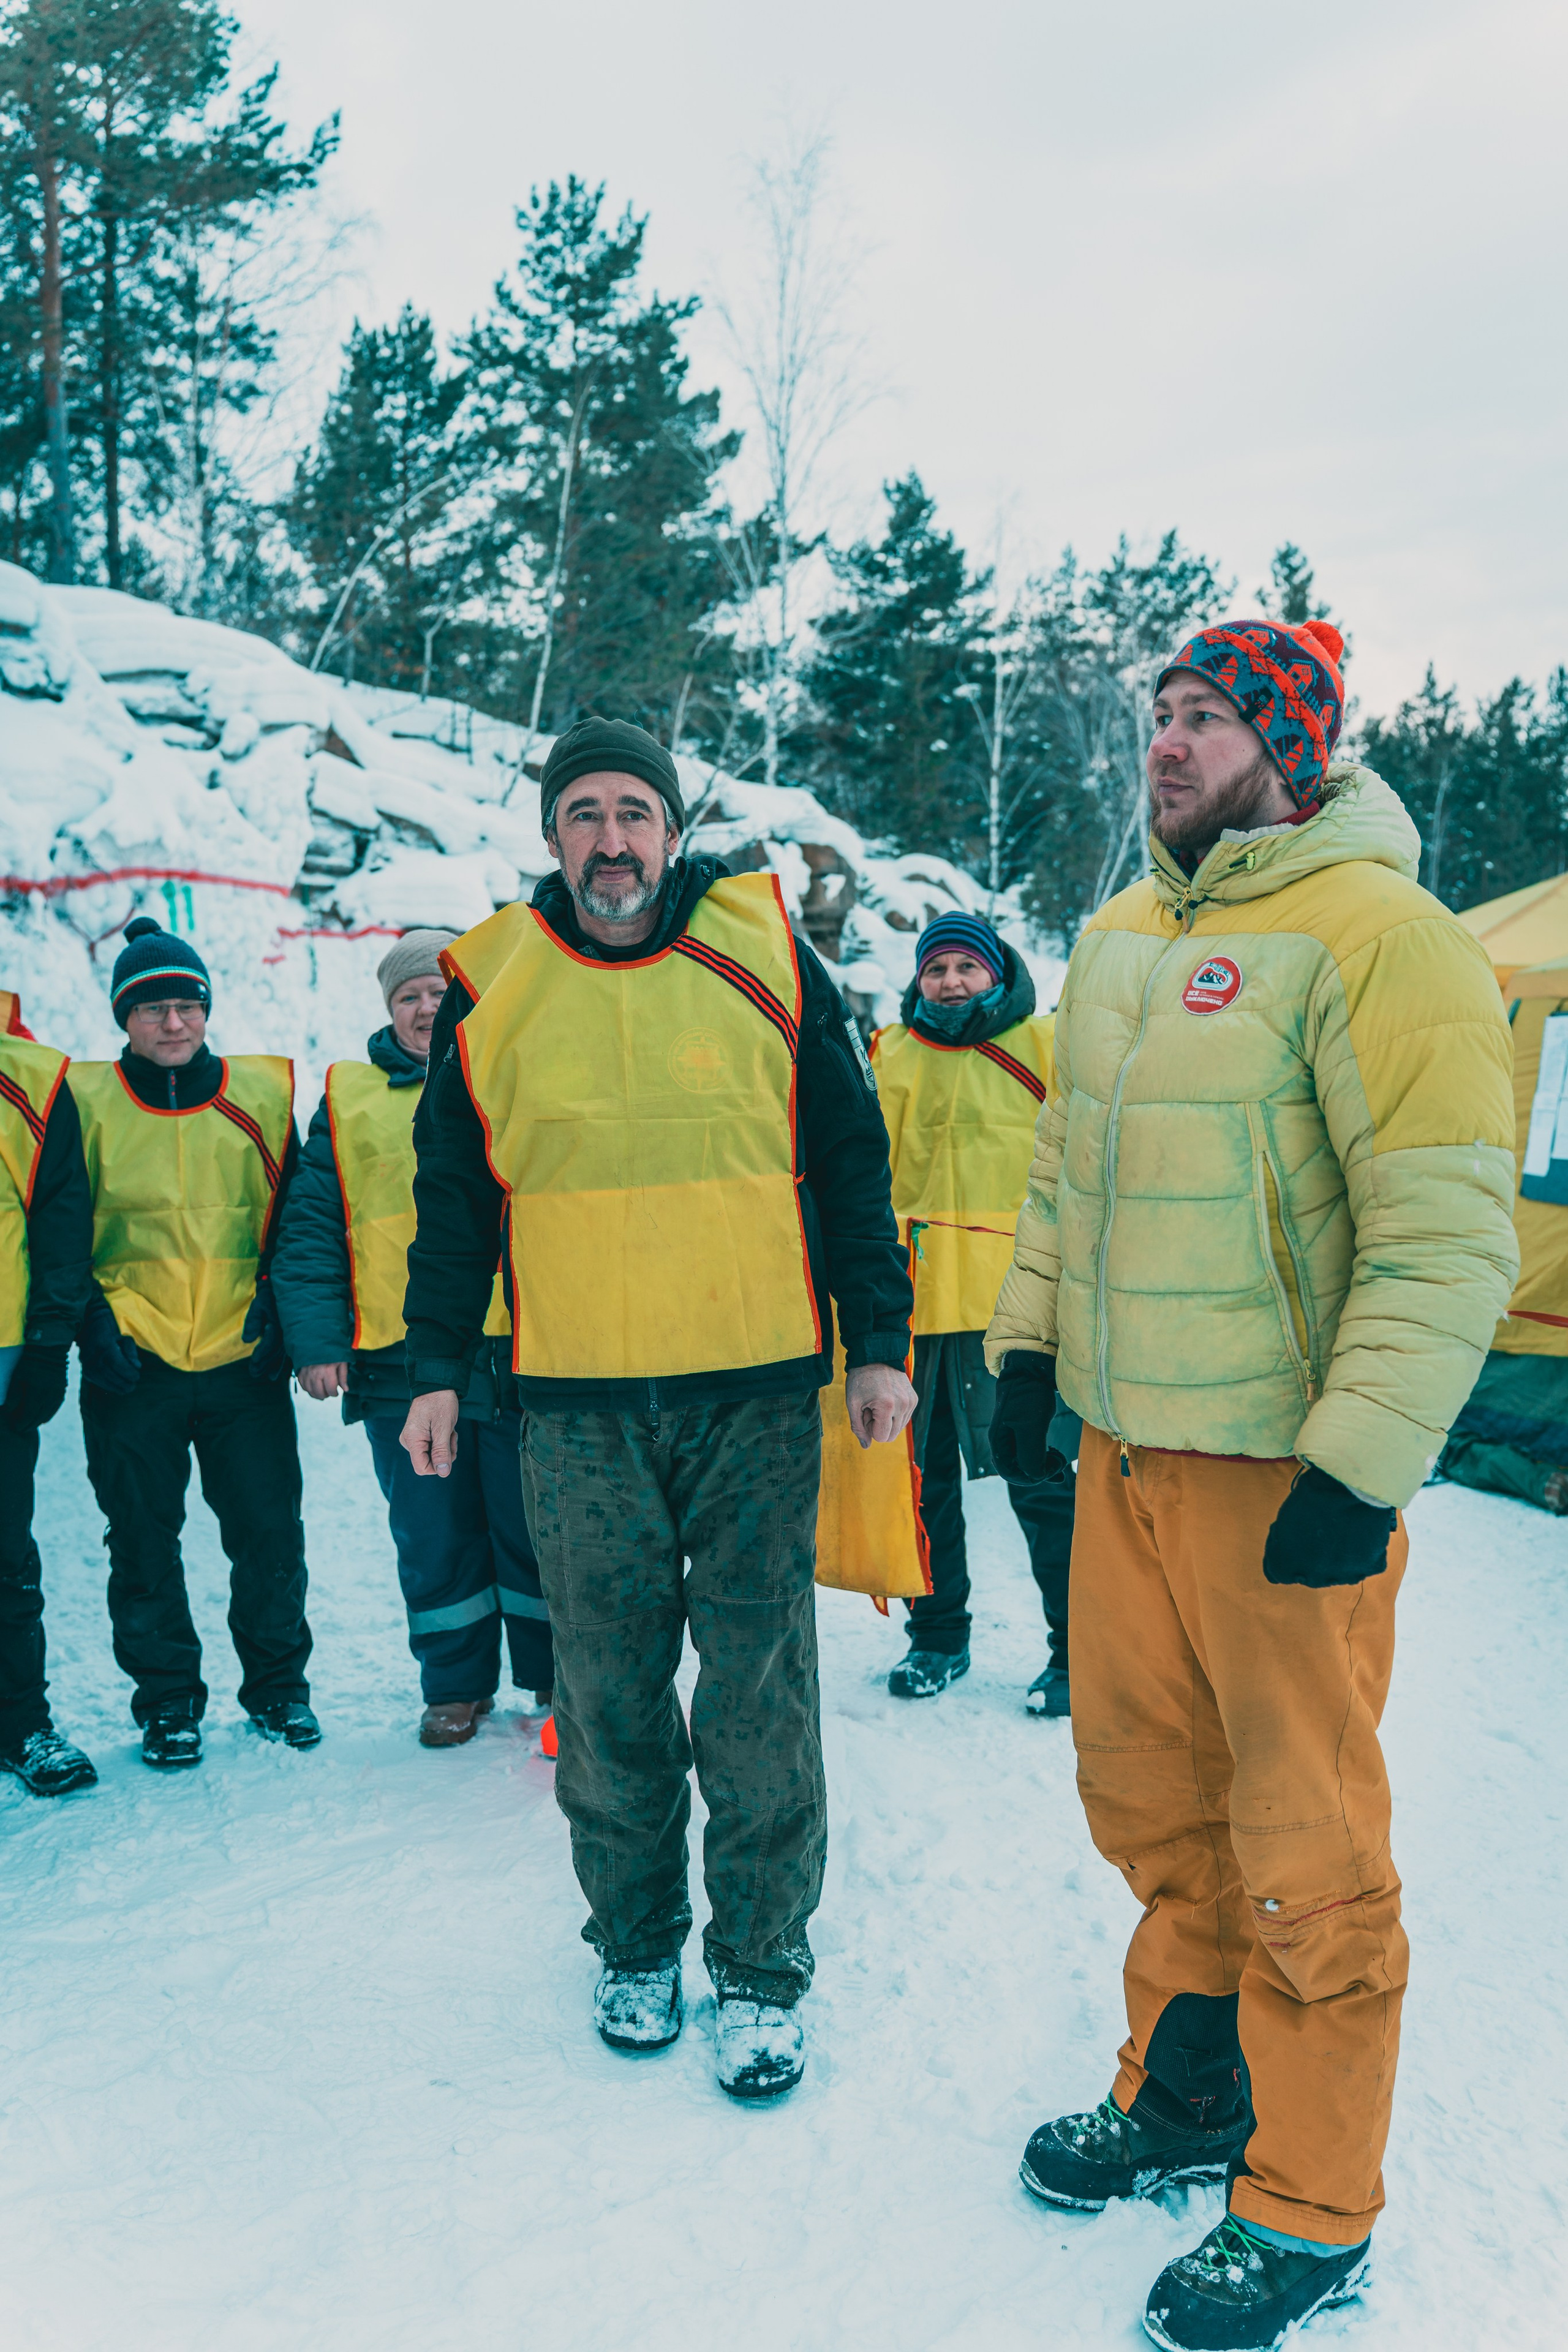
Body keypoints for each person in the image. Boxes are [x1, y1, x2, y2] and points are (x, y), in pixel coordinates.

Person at [984, 619, 1518, 2351]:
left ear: (1289, 743)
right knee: (1153, 1800)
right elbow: (1068, 1172)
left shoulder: (1389, 938)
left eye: (1206, 716)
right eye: (1160, 716)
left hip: (1284, 1478)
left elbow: (1444, 1231)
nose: (1169, 742)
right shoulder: (1126, 933)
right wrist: (1023, 1353)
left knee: (1306, 1839)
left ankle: (1311, 2200)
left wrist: (1361, 1466)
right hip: (1130, 1459)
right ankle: (1188, 2098)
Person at [399, 717, 915, 2102]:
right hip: (571, 1404)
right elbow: (452, 1198)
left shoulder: (765, 956)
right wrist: (433, 1364)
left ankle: (757, 1970)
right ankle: (634, 1946)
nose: (611, 839)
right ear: (551, 834)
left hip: (750, 1395)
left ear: (670, 830)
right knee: (609, 1691)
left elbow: (850, 1161)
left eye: (635, 811)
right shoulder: (490, 987)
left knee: (754, 1690)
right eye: (586, 814)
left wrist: (879, 1338)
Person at [272, 930, 552, 1745]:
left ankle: (553, 1678)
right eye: (410, 996)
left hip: (513, 1349)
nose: (428, 1007)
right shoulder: (349, 1096)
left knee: (533, 1523)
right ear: (390, 1009)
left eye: (441, 990)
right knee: (433, 1530)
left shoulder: (514, 1073)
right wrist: (320, 1341)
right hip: (395, 1357)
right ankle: (455, 1685)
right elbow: (312, 1226)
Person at [70, 917, 319, 1770]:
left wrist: (283, 1320)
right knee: (140, 1543)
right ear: (123, 1018)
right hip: (130, 1364)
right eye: (152, 1009)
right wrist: (90, 1326)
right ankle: (169, 1704)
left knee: (268, 1536)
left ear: (208, 1010)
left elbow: (296, 1222)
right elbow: (60, 1223)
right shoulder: (85, 1102)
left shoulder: (259, 1096)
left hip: (239, 1359)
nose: (173, 1023)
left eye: (187, 1005)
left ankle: (280, 1690)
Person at [869, 911, 1074, 1711]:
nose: (951, 982)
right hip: (912, 1305)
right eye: (936, 969)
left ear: (997, 973)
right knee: (919, 1487)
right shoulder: (890, 1054)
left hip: (1015, 1308)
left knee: (1040, 1476)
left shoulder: (1047, 1047)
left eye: (966, 967)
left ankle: (1076, 1650)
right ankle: (938, 1637)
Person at [0, 988, 97, 1795]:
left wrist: (47, 1344)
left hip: (1, 1376)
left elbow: (62, 1226)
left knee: (5, 1558)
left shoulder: (31, 1084)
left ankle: (22, 1724)